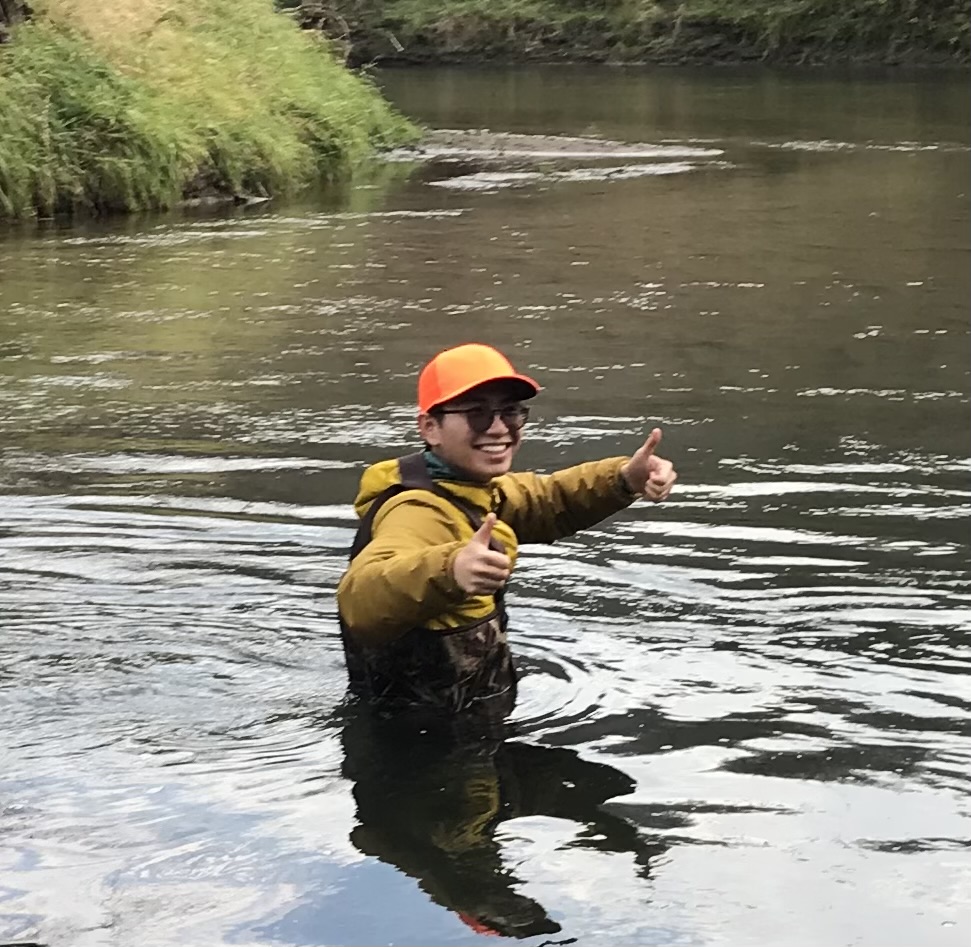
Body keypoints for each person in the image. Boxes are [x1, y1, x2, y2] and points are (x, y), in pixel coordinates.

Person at [336, 342, 677, 720]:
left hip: (468, 716)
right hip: (431, 739)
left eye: (511, 412)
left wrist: (626, 478)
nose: (499, 428)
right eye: (477, 414)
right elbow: (360, 596)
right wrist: (451, 569)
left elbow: (549, 500)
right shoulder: (415, 509)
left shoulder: (475, 488)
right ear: (430, 427)